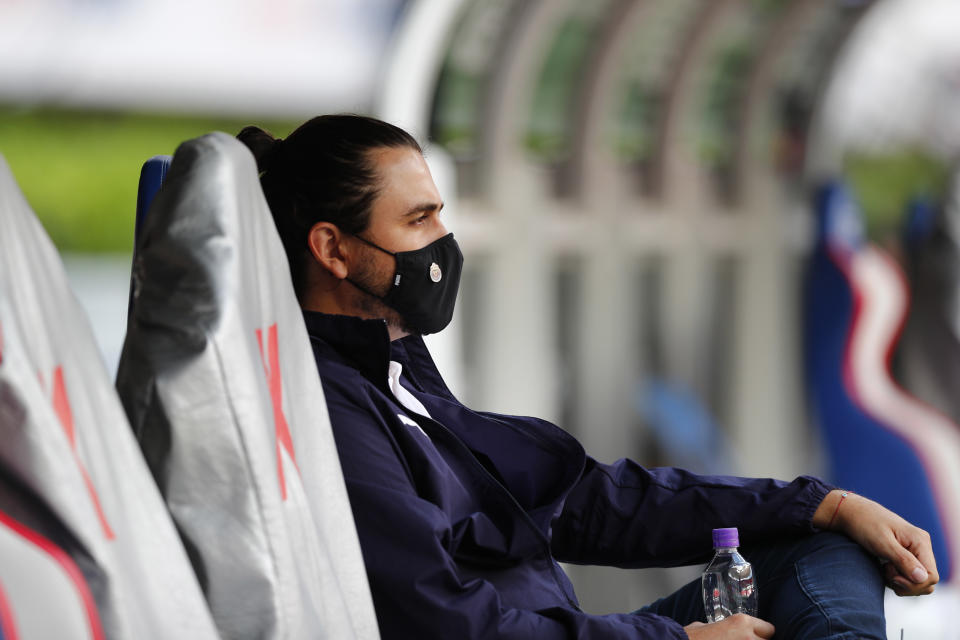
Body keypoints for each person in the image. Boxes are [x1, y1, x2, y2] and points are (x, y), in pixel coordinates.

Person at [237, 115, 938, 640]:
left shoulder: (394, 370)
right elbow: (438, 622)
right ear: (330, 248)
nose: (442, 244)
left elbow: (585, 502)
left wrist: (822, 505)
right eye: (418, 220)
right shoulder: (326, 404)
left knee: (826, 545)